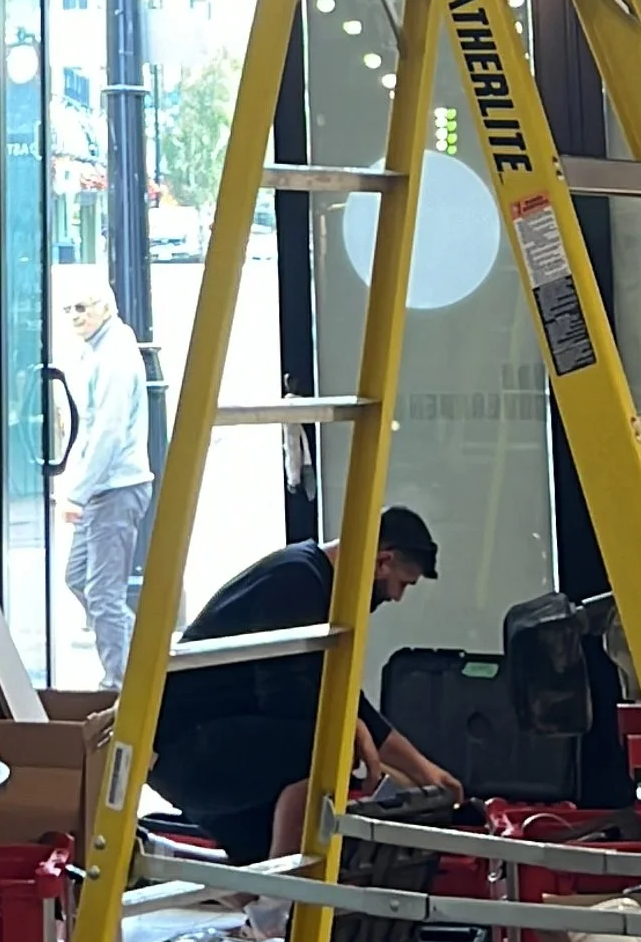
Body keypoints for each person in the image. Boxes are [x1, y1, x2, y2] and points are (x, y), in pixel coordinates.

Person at [151, 505, 450, 866]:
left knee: (259, 866)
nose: (396, 598)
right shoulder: (297, 581)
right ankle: (280, 906)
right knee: (327, 749)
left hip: (210, 741)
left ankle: (240, 896)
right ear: (382, 562)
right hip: (186, 748)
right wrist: (354, 738)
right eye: (401, 584)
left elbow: (350, 702)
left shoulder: (317, 585)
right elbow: (282, 693)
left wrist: (425, 772)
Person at [58, 275, 152, 686]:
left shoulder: (114, 355)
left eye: (84, 307)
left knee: (103, 593)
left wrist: (76, 492)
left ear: (106, 308)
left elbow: (108, 432)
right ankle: (135, 660)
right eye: (70, 309)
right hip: (103, 488)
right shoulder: (97, 350)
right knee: (79, 579)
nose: (76, 316)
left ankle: (121, 683)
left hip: (116, 488)